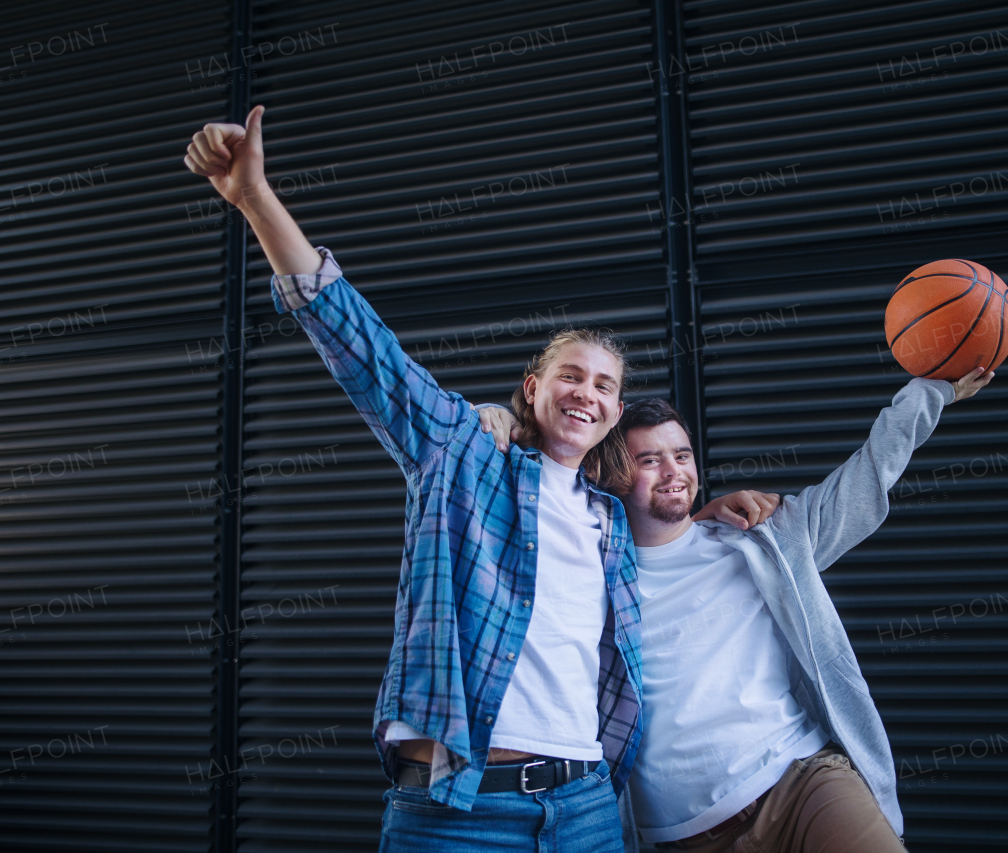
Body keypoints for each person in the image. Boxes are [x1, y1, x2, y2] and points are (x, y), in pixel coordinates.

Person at [181, 104, 777, 852]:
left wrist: (720, 507)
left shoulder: (609, 521)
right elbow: (358, 343)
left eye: (603, 385)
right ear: (533, 388)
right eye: (570, 375)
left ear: (614, 410)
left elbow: (671, 535)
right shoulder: (461, 453)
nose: (586, 393)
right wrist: (255, 197)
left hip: (587, 808)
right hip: (458, 812)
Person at [478, 366, 993, 852]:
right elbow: (528, 503)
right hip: (683, 836)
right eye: (649, 460)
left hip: (803, 784)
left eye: (681, 455)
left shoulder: (760, 541)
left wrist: (929, 392)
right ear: (612, 473)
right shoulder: (592, 577)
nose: (673, 471)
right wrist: (505, 429)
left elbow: (865, 477)